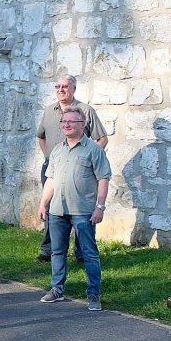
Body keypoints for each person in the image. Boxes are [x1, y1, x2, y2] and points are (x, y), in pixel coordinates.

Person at [37, 105, 111, 311]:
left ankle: (94, 294)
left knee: (89, 253)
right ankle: (57, 289)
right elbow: (50, 179)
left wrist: (100, 207)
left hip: (83, 211)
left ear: (83, 125)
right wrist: (43, 204)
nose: (66, 125)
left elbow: (103, 179)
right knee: (57, 251)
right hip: (58, 210)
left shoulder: (94, 150)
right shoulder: (57, 150)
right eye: (64, 122)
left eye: (71, 121)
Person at [36, 74, 108, 263]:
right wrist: (47, 157)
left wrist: (88, 157)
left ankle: (82, 252)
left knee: (80, 210)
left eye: (65, 86)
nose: (61, 90)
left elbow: (102, 138)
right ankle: (49, 249)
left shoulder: (86, 111)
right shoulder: (49, 111)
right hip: (53, 168)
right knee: (52, 208)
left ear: (74, 89)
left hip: (81, 170)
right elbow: (40, 136)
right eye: (57, 86)